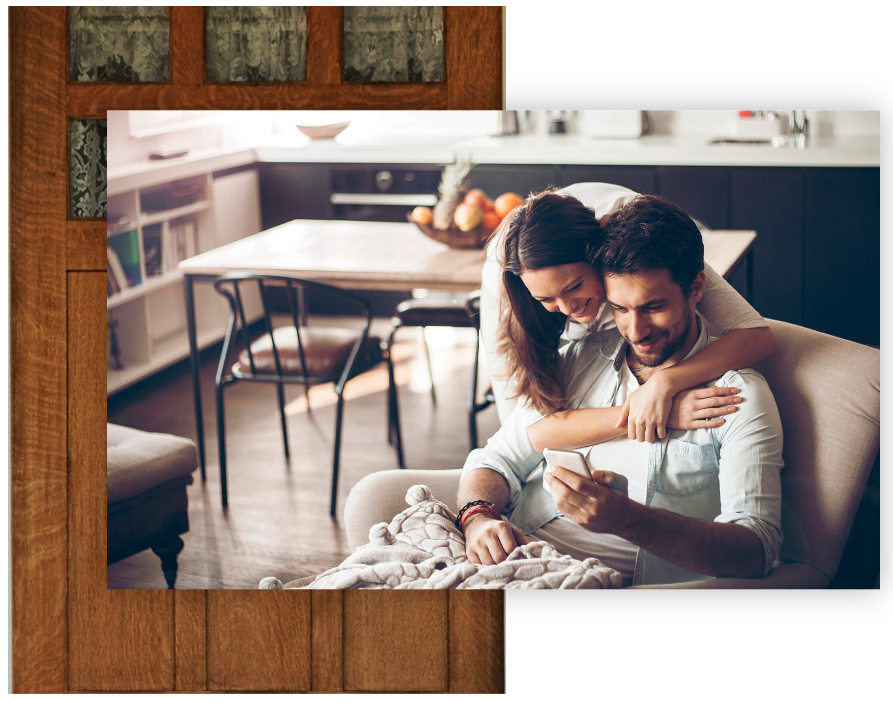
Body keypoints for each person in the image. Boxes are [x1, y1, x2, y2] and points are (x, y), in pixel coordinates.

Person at [457, 195, 784, 586]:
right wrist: (477, 518)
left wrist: (627, 519)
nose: (635, 330)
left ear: (697, 289)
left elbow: (758, 550)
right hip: (501, 560)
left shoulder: (736, 399)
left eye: (654, 306)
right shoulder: (581, 354)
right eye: (619, 308)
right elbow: (496, 458)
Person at [479, 183, 778, 442]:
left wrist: (665, 383)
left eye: (575, 286)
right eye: (547, 298)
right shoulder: (512, 282)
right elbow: (530, 431)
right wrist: (645, 409)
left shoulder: (633, 239)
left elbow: (756, 337)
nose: (568, 309)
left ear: (598, 254)